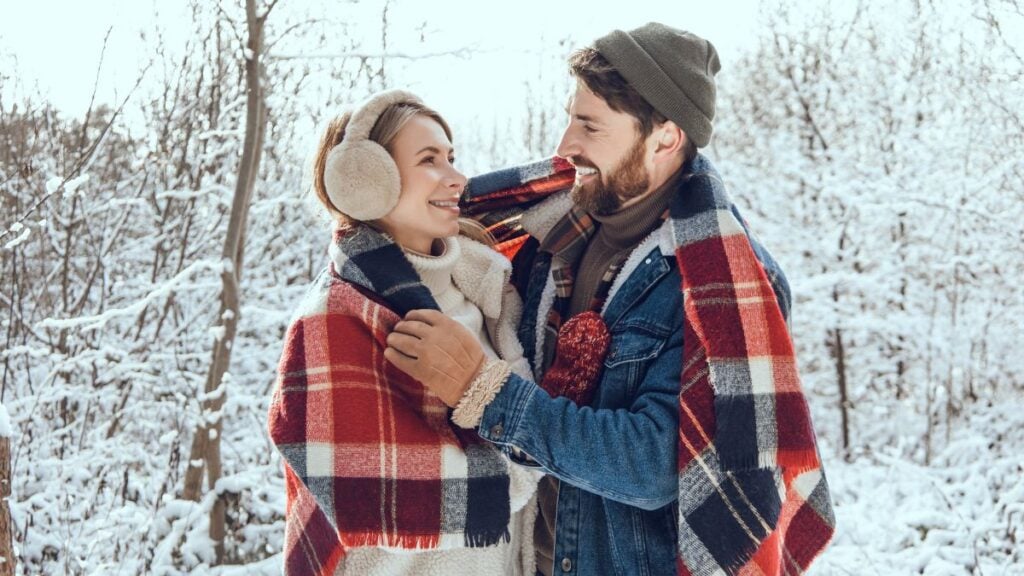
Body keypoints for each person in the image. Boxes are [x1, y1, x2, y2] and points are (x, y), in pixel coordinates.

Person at [385, 24, 835, 575]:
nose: (564, 146)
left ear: (664, 139)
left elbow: (654, 463)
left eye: (589, 125)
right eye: (570, 118)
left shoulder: (724, 286)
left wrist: (482, 391)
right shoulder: (549, 236)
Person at [267, 89, 540, 576]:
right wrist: (535, 451)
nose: (456, 178)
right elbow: (366, 499)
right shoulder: (334, 317)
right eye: (429, 160)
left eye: (451, 157)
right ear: (369, 181)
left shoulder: (491, 293)